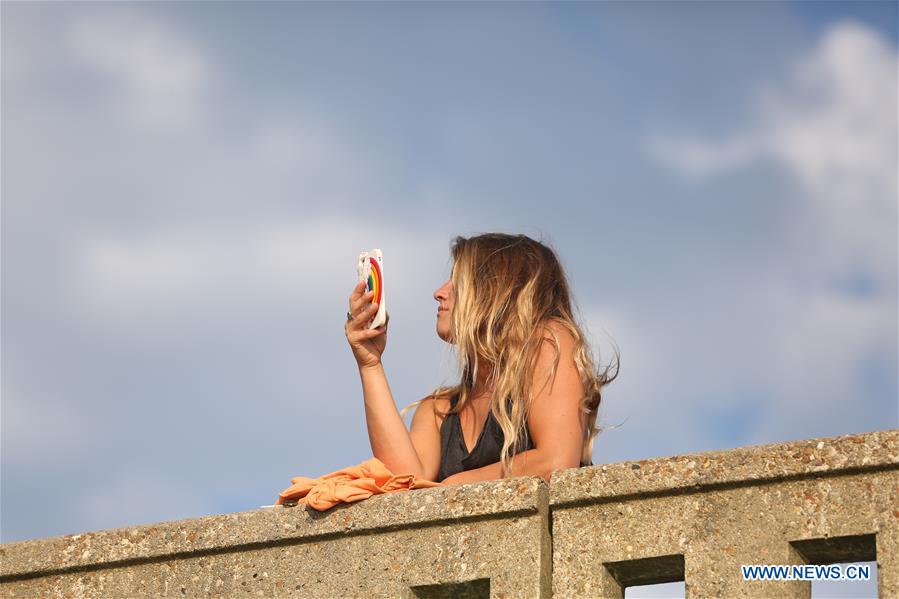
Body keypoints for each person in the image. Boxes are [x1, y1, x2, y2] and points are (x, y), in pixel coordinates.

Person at [344, 233, 619, 485]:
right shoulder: (438, 411)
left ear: (498, 291)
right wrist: (370, 363)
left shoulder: (551, 343)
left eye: (458, 282)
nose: (439, 292)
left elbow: (557, 461)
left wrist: (451, 487)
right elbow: (403, 486)